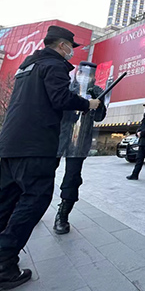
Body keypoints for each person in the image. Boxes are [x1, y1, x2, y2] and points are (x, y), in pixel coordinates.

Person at [0, 26, 100, 290]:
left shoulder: (26, 68)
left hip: (12, 143)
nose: (71, 53)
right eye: (70, 47)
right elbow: (60, 98)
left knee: (5, 200)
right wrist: (88, 104)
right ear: (62, 46)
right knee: (35, 201)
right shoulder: (54, 65)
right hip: (36, 145)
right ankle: (2, 265)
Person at [54, 62, 107, 235]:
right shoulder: (67, 88)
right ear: (77, 73)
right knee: (44, 172)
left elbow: (99, 117)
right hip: (59, 137)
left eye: (90, 74)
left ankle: (62, 215)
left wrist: (98, 103)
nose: (86, 77)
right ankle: (34, 205)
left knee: (72, 178)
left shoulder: (97, 91)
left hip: (80, 140)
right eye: (83, 73)